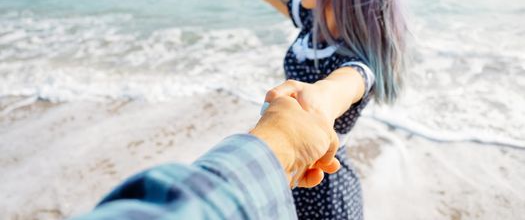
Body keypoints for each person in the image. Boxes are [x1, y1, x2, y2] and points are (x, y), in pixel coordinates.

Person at [191, 0, 408, 219]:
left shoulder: (359, 64)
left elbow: (338, 88)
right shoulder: (311, 19)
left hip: (323, 196)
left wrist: (315, 100)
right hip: (288, 174)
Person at [74, 96, 340, 219]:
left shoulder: (354, 53)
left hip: (318, 171)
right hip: (287, 177)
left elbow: (351, 82)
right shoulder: (304, 14)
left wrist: (284, 139)